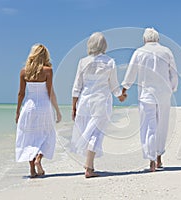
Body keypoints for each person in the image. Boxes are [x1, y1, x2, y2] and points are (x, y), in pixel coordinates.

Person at [121, 28, 178, 172]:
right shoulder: (167, 51)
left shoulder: (140, 52)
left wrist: (124, 88)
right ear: (157, 39)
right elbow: (173, 73)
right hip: (164, 94)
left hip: (147, 95)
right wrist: (172, 88)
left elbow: (131, 72)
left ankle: (152, 160)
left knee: (149, 126)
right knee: (162, 125)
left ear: (144, 39)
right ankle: (159, 157)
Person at [71, 32, 126, 178]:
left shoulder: (82, 62)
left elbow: (77, 86)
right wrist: (121, 96)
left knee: (89, 132)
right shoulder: (109, 62)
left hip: (85, 101)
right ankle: (89, 168)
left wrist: (73, 106)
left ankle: (90, 165)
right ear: (104, 45)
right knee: (96, 133)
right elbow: (114, 86)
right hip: (101, 101)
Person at [15, 44, 62, 178]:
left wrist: (18, 111)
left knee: (29, 137)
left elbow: (21, 94)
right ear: (44, 56)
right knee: (47, 134)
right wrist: (57, 110)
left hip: (29, 107)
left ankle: (32, 170)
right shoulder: (48, 71)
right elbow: (50, 92)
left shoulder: (24, 72)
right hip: (44, 106)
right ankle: (38, 159)